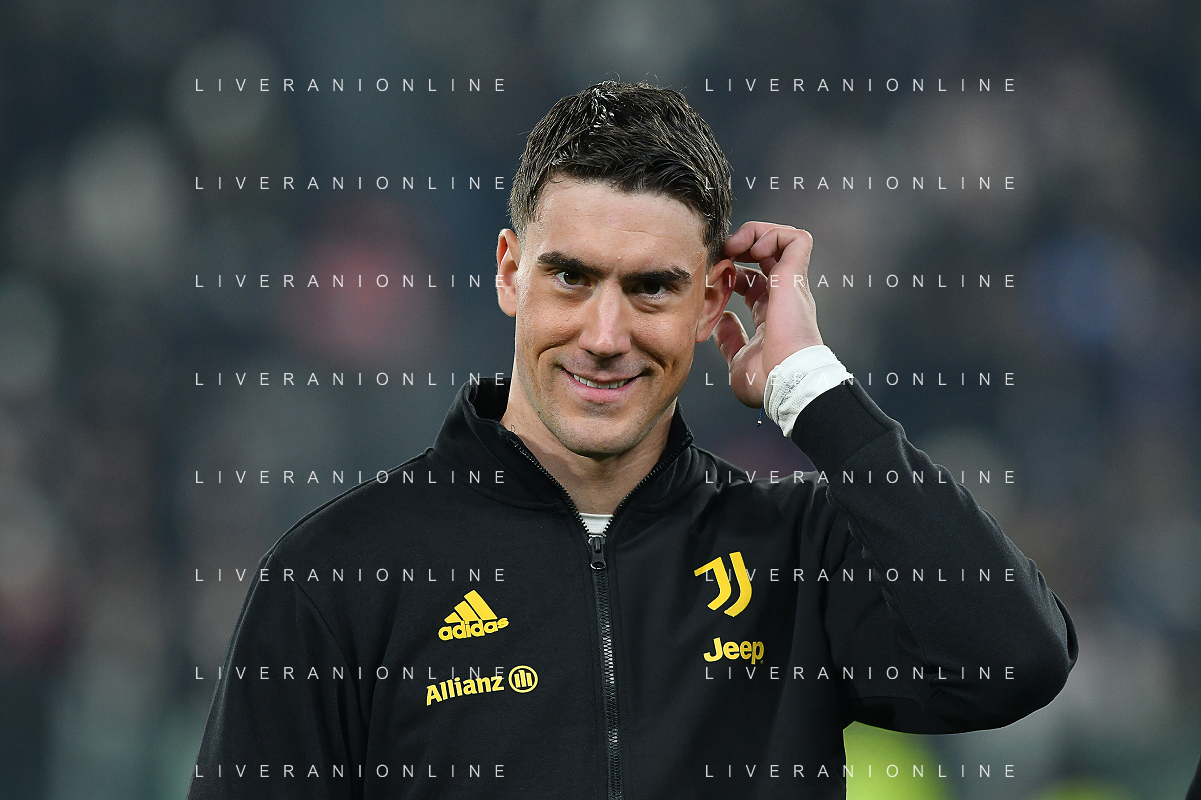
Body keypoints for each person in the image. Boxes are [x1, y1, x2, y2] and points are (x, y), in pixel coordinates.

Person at [187, 81, 1077, 799]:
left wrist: (811, 387)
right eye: (570, 278)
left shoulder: (795, 552)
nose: (605, 335)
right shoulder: (338, 576)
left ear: (712, 301)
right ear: (509, 272)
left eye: (651, 287)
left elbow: (1014, 660)